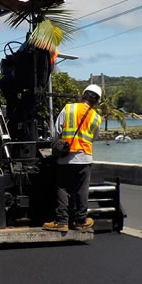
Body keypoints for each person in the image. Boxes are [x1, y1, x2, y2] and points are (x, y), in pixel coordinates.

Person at [43, 84, 103, 231]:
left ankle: (62, 222)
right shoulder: (96, 117)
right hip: (85, 158)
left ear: (84, 95)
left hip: (66, 158)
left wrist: (57, 145)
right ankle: (81, 220)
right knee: (82, 190)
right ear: (96, 101)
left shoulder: (69, 108)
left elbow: (56, 133)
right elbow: (93, 138)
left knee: (63, 188)